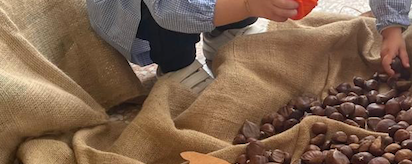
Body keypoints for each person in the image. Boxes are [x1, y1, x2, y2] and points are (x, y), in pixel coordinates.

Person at [87, 0, 301, 94]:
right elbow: (172, 11)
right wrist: (246, 5)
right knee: (165, 26)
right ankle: (178, 65)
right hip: (144, 13)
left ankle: (224, 34)